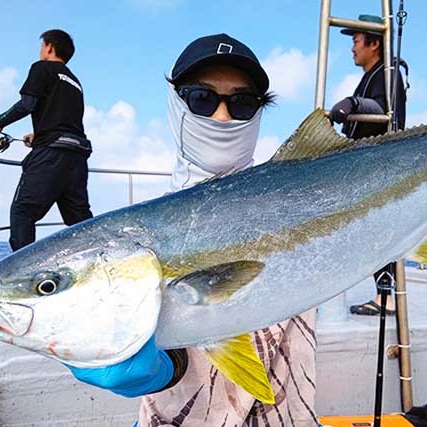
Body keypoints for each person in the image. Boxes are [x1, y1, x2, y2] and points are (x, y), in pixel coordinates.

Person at [68, 34, 319, 427]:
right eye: (202, 99)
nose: (221, 117)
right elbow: (187, 329)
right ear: (176, 103)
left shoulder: (302, 200)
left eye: (242, 103)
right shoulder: (144, 232)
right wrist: (164, 367)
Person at [329, 14, 407, 316]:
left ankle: (385, 298)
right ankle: (383, 293)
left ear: (374, 43)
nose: (352, 48)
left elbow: (383, 110)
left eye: (356, 41)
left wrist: (353, 104)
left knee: (380, 231)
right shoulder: (373, 74)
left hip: (381, 167)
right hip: (368, 165)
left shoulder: (388, 74)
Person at [0, 29, 93, 251]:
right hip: (76, 157)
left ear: (49, 47)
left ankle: (22, 278)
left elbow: (27, 104)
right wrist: (38, 135)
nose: (40, 51)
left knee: (22, 212)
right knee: (81, 223)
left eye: (41, 46)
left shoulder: (41, 68)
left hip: (51, 155)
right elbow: (66, 118)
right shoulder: (75, 81)